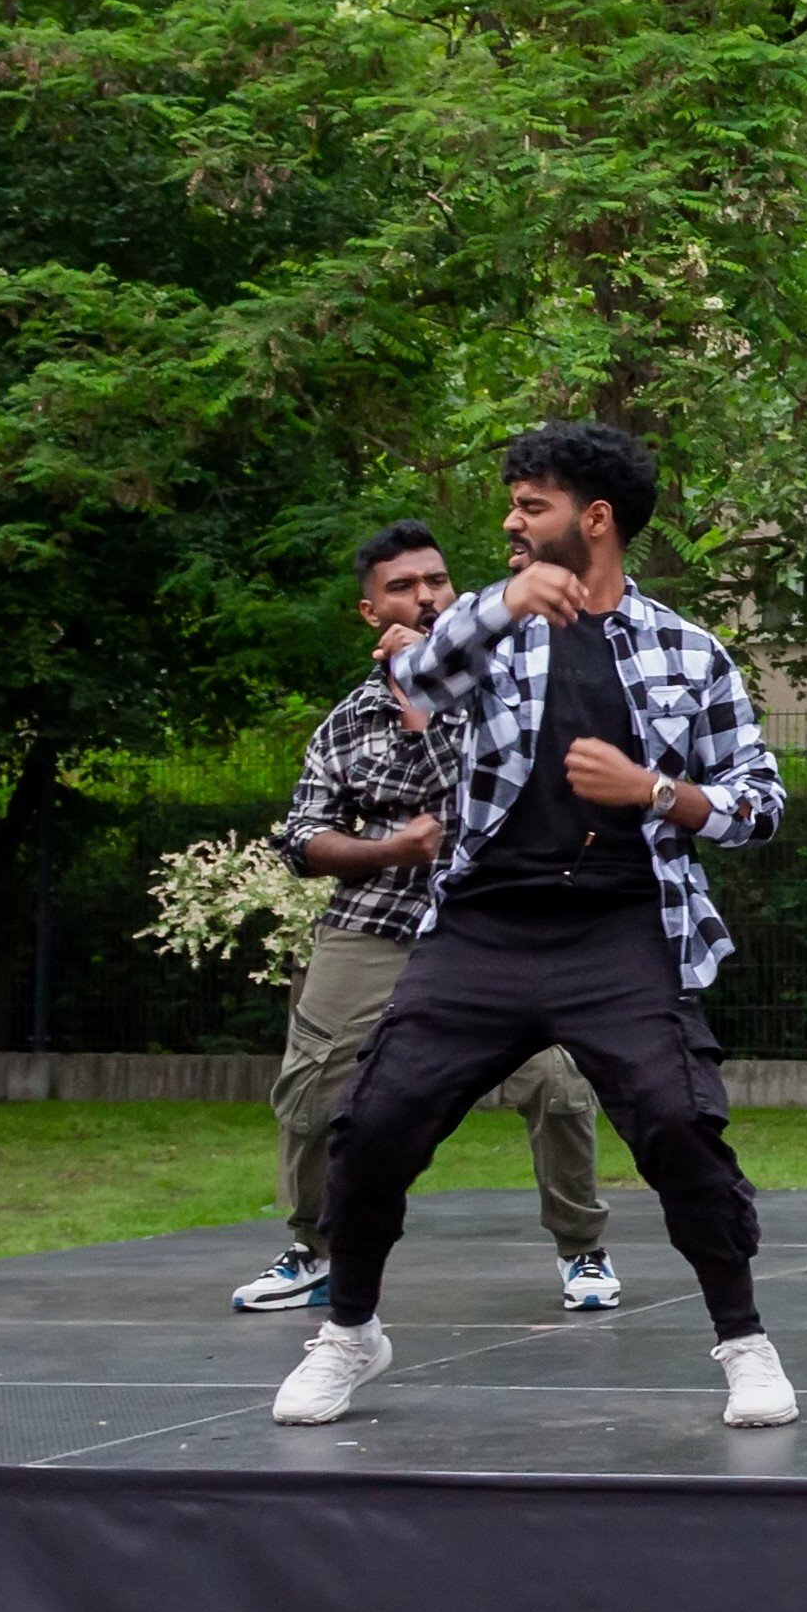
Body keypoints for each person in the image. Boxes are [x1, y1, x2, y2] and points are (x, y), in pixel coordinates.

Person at [273, 424, 797, 1432]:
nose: (511, 522)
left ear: (592, 520)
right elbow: (415, 682)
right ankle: (349, 1332)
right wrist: (503, 602)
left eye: (531, 506)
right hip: (484, 927)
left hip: (619, 930)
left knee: (678, 1123)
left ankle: (743, 1342)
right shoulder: (489, 625)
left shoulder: (688, 651)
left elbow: (759, 801)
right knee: (374, 1119)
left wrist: (656, 790)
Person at [232, 520, 615, 1318]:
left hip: (491, 921)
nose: (426, 596)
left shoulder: (505, 684)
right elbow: (302, 839)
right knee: (312, 1089)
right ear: (370, 611)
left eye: (436, 581)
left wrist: (433, 672)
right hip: (374, 919)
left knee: (557, 1084)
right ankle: (314, 1248)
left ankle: (582, 1248)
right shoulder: (346, 721)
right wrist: (391, 849)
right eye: (402, 587)